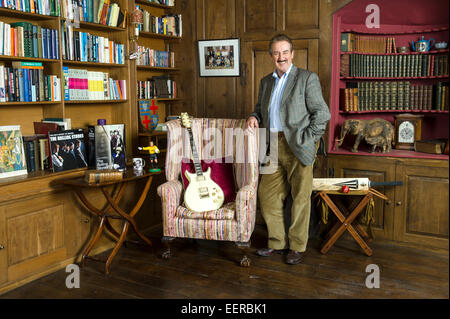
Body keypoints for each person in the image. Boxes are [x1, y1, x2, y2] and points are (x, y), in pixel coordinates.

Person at [246, 34, 331, 265]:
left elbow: (322, 113)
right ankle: (277, 242)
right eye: (276, 52)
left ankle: (297, 246)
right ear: (271, 55)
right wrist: (254, 116)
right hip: (272, 144)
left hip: (298, 144)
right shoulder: (265, 81)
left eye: (285, 52)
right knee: (268, 195)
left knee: (300, 198)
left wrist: (309, 140)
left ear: (292, 54)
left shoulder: (306, 78)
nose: (280, 57)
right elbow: (259, 109)